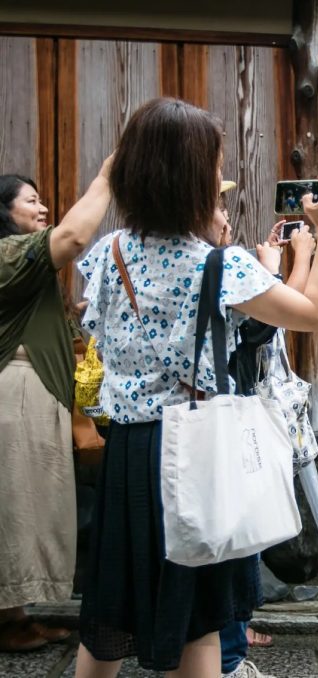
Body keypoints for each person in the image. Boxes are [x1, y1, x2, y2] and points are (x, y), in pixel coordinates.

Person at [72, 97, 318, 678]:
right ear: (193, 180)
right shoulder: (221, 266)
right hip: (193, 454)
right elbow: (315, 312)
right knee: (196, 621)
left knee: (108, 615)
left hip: (126, 454)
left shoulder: (106, 254)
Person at [0, 163, 113, 651]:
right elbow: (70, 238)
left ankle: (15, 615)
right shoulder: (7, 253)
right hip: (17, 390)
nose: (43, 207)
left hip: (38, 391)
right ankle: (8, 619)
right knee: (17, 504)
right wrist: (108, 176)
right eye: (31, 200)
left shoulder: (27, 262)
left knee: (28, 505)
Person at [215, 182, 315, 678]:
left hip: (183, 427)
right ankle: (229, 655)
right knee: (233, 541)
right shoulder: (218, 268)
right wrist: (292, 262)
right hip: (222, 423)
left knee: (227, 543)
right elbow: (279, 320)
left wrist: (270, 268)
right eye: (217, 206)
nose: (227, 217)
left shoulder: (213, 264)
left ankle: (229, 640)